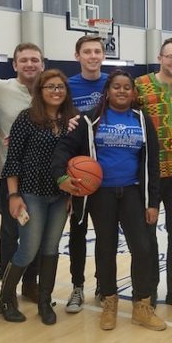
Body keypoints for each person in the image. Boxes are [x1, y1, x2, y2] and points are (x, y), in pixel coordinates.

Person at [52, 69, 166, 331]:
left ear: (134, 92)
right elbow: (64, 149)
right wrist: (61, 177)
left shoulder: (142, 119)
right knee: (105, 247)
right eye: (117, 87)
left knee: (143, 248)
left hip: (134, 192)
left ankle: (141, 305)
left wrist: (152, 202)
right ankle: (110, 303)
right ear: (108, 91)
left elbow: (152, 164)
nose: (122, 91)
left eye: (127, 87)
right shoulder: (90, 120)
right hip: (101, 194)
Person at [0, 69, 78, 325]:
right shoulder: (26, 118)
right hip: (31, 192)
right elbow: (13, 160)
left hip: (60, 195)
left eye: (60, 87)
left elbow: (76, 160)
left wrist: (73, 193)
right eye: (50, 87)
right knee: (28, 249)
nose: (56, 91)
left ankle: (45, 300)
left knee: (51, 248)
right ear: (40, 91)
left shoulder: (71, 121)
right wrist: (13, 195)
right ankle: (5, 299)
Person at [135, 37, 172, 313]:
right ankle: (149, 289)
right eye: (169, 56)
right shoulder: (140, 85)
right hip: (150, 174)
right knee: (148, 233)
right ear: (160, 58)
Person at [0, 43, 44, 302]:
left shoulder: (50, 90)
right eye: (24, 60)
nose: (29, 64)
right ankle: (7, 286)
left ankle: (31, 283)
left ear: (42, 64)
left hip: (43, 177)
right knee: (10, 232)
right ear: (15, 64)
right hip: (12, 177)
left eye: (34, 60)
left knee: (37, 233)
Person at [65, 35, 109, 313]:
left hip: (107, 172)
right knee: (77, 234)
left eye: (97, 51)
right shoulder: (67, 86)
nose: (93, 56)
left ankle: (103, 285)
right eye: (87, 51)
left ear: (103, 55)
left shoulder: (113, 82)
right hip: (78, 172)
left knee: (105, 235)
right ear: (77, 55)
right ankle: (77, 287)